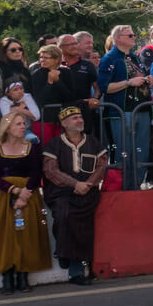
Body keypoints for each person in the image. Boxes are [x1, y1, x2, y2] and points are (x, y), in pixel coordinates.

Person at [0, 113, 51, 295]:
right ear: (7, 127)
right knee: (4, 236)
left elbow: (37, 172)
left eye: (23, 123)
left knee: (25, 234)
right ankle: (7, 276)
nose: (22, 126)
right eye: (18, 124)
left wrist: (25, 193)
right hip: (2, 196)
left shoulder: (33, 148)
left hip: (28, 194)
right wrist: (14, 190)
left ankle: (23, 275)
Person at [42, 106, 107, 285]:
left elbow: (101, 166)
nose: (79, 120)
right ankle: (64, 253)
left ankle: (76, 270)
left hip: (88, 192)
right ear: (64, 123)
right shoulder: (54, 144)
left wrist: (88, 184)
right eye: (74, 118)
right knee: (64, 215)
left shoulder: (93, 142)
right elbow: (50, 170)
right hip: (61, 193)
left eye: (80, 117)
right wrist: (74, 184)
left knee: (84, 228)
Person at [97, 25, 153, 186]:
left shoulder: (134, 58)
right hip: (122, 111)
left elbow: (138, 77)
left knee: (141, 153)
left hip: (141, 109)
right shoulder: (110, 58)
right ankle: (124, 188)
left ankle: (136, 186)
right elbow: (104, 87)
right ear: (118, 38)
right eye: (130, 35)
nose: (133, 37)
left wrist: (147, 79)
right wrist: (129, 82)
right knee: (125, 152)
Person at [28, 44, 75, 142]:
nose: (42, 60)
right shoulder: (36, 75)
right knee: (46, 149)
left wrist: (58, 81)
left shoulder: (66, 72)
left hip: (63, 118)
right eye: (41, 57)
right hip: (44, 119)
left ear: (57, 59)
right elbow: (40, 100)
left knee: (63, 148)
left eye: (46, 58)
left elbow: (70, 97)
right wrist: (49, 82)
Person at [59, 33, 100, 133]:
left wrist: (94, 99)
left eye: (75, 43)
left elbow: (97, 88)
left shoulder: (88, 65)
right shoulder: (56, 65)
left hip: (83, 112)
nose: (74, 46)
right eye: (70, 44)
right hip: (60, 112)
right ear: (60, 47)